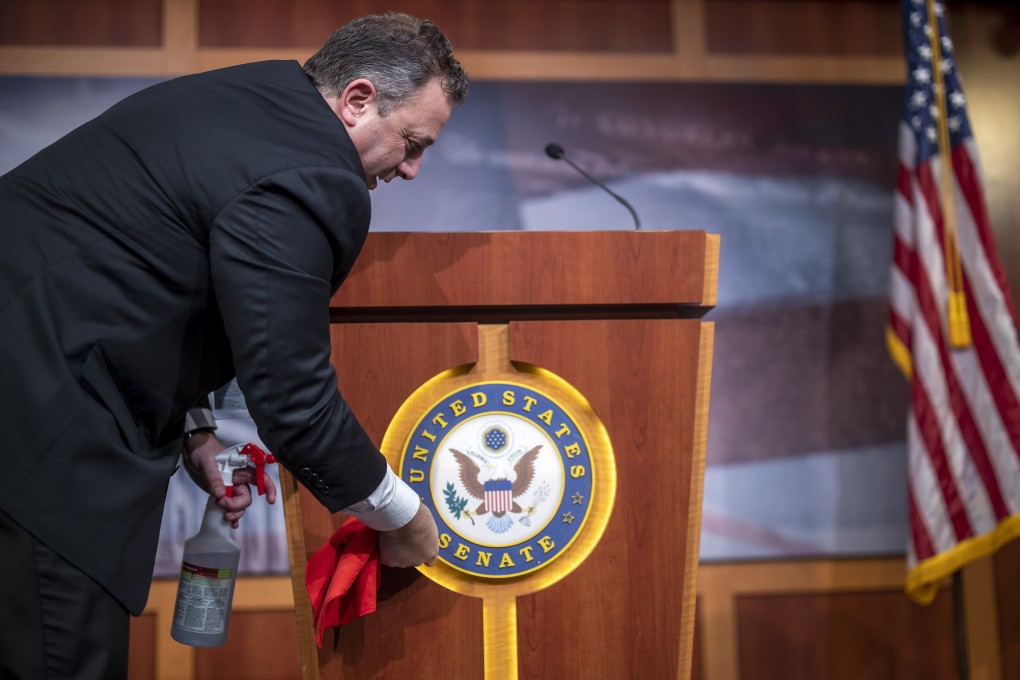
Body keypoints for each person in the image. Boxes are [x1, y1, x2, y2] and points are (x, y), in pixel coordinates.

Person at [0, 12, 468, 678]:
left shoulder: (242, 99)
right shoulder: (314, 172)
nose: (414, 169)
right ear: (358, 100)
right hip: (37, 436)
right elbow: (294, 400)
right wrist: (404, 517)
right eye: (413, 142)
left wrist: (195, 434)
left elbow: (141, 266)